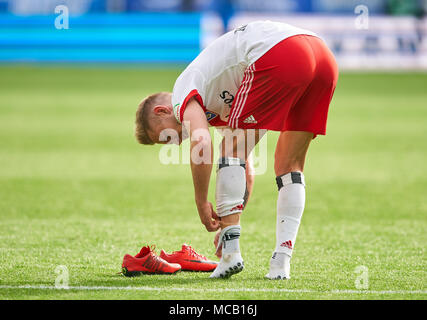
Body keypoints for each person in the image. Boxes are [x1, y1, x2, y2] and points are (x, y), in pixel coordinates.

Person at [134, 20, 338, 279]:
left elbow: (202, 144)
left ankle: (231, 255)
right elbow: (245, 168)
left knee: (229, 150)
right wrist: (230, 221)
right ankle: (280, 263)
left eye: (167, 138)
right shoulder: (214, 101)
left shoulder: (181, 91)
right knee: (289, 166)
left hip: (280, 52)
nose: (176, 142)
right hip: (322, 56)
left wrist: (201, 201)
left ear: (162, 111)